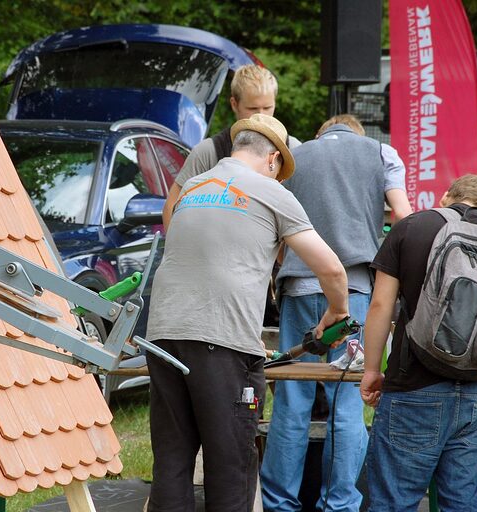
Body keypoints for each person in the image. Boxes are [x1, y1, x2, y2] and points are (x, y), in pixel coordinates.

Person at [145, 113, 351, 512]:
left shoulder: (192, 186)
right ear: (272, 159)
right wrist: (337, 313)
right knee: (232, 466)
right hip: (220, 345)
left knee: (171, 461)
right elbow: (330, 268)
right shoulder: (269, 191)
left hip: (163, 335)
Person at [259, 114, 412, 512]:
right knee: (347, 399)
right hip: (356, 291)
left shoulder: (293, 157)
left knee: (292, 400)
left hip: (298, 285)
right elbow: (404, 218)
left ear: (321, 132)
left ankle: (279, 503)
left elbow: (274, 229)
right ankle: (340, 503)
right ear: (356, 134)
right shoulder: (382, 153)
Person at [360, 175, 477, 510]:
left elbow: (380, 306)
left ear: (447, 196)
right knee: (462, 503)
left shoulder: (411, 227)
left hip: (413, 387)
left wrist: (372, 369)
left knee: (394, 501)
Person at [162, 64, 300, 230]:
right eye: (253, 108)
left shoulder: (294, 149)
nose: (261, 115)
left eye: (268, 107)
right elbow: (172, 206)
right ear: (234, 104)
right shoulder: (208, 151)